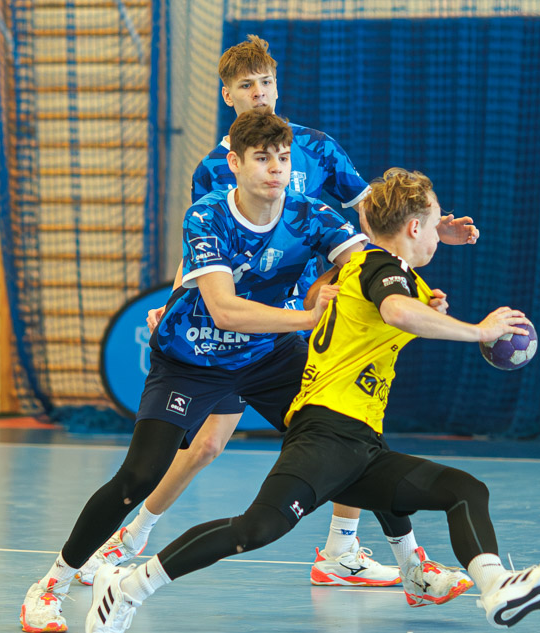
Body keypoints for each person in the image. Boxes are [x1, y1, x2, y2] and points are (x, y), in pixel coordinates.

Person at [84, 168, 540, 633]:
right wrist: (480, 331)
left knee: (465, 490)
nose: (436, 234)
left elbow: (386, 303)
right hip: (325, 435)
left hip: (361, 444)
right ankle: (126, 588)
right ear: (412, 228)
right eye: (431, 224)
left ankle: (496, 586)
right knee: (256, 529)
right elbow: (397, 312)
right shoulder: (381, 268)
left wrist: (431, 295)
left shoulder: (376, 271)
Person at [20, 112, 472, 633]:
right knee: (138, 476)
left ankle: (414, 568)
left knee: (354, 438)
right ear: (234, 163)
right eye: (262, 158)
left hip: (266, 356)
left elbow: (375, 261)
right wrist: (306, 318)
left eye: (282, 158)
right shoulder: (207, 216)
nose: (276, 168)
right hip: (192, 358)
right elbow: (225, 311)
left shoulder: (311, 215)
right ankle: (51, 584)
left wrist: (423, 245)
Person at [77, 34, 479, 589]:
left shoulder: (316, 149)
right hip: (236, 323)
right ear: (228, 96)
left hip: (301, 322)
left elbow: (378, 216)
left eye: (266, 82)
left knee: (345, 429)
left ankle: (357, 552)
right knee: (207, 445)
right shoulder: (213, 170)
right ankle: (127, 540)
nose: (260, 93)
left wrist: (426, 238)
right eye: (247, 85)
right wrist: (174, 305)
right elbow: (199, 253)